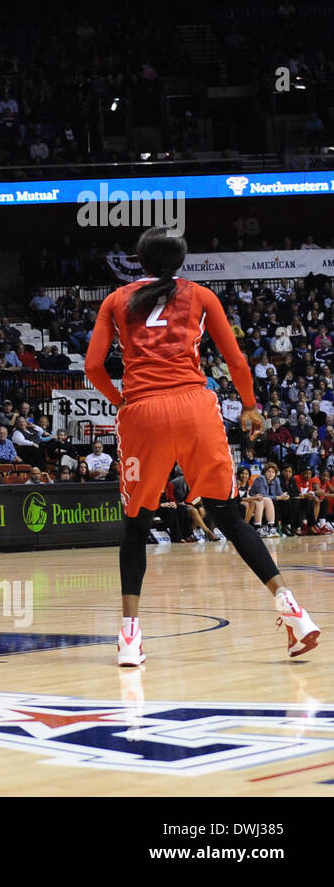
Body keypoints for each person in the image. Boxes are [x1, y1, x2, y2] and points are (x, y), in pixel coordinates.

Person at [84, 228, 319, 665]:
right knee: (228, 515)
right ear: (182, 259)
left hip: (144, 412)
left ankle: (130, 639)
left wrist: (123, 402)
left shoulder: (115, 300)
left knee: (135, 527)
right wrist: (249, 405)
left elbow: (94, 366)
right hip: (195, 407)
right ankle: (293, 609)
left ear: (139, 259)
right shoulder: (201, 295)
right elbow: (236, 360)